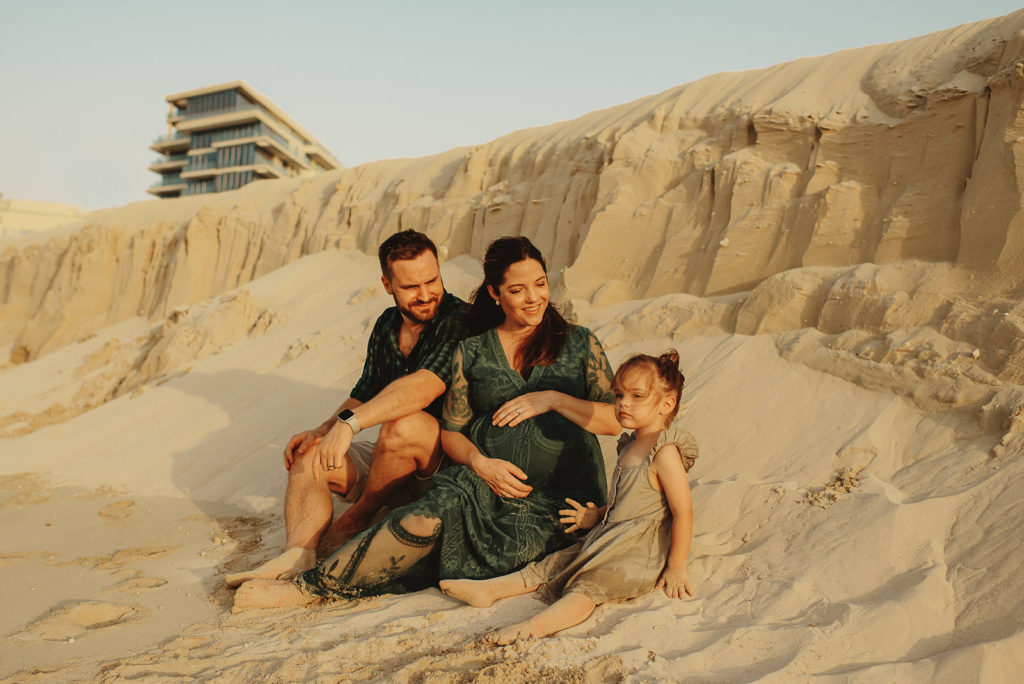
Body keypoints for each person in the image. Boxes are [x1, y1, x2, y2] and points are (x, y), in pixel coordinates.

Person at [232, 236, 620, 610]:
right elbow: (443, 426)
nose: (534, 297)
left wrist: (554, 399)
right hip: (480, 479)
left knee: (463, 540)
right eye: (518, 290)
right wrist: (480, 464)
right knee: (412, 510)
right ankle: (304, 577)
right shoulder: (471, 348)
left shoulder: (578, 343)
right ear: (495, 294)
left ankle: (354, 533)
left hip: (559, 494)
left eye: (540, 284)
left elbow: (614, 420)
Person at [225, 230, 468, 587]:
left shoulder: (459, 319)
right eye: (410, 287)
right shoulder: (387, 324)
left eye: (432, 280)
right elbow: (365, 391)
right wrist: (324, 431)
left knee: (404, 423)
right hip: (390, 462)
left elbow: (423, 387)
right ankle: (298, 554)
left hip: (441, 466)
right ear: (387, 285)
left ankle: (357, 519)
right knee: (310, 455)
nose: (426, 294)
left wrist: (349, 426)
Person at [440, 350, 698, 644]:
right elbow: (628, 501)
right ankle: (490, 591)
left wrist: (677, 566)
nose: (623, 403)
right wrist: (597, 515)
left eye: (636, 396)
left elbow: (683, 512)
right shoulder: (629, 447)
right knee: (556, 561)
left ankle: (535, 627)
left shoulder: (664, 452)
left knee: (589, 586)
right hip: (610, 536)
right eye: (618, 395)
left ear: (667, 404)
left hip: (638, 553)